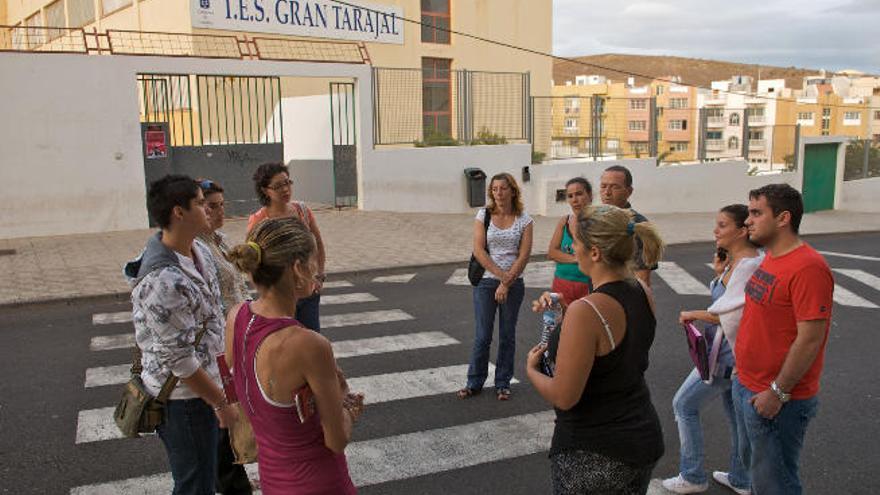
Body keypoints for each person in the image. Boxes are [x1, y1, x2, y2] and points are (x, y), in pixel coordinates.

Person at [526, 204, 665, 494]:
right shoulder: (642, 290)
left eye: (575, 242)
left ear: (595, 252)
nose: (571, 248)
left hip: (594, 450)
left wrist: (531, 370)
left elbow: (564, 397)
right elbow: (615, 353)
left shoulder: (587, 311)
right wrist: (567, 319)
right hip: (642, 437)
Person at [225, 217, 363, 494]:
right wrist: (348, 406)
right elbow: (336, 440)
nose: (317, 270)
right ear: (298, 268)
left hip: (274, 480)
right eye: (314, 262)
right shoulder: (308, 345)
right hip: (320, 483)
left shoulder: (236, 316)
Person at [124, 175, 236, 494]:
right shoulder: (163, 280)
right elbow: (181, 362)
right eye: (201, 203)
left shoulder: (196, 249)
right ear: (179, 212)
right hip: (184, 400)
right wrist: (220, 403)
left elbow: (212, 319)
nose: (209, 209)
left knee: (204, 477)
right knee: (194, 484)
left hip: (206, 384)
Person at [733, 184, 833, 495]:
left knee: (777, 484)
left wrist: (778, 392)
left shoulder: (808, 267)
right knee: (759, 477)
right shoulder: (771, 258)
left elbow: (810, 339)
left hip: (777, 399)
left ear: (783, 218)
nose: (748, 221)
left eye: (756, 213)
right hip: (748, 384)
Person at [662, 204, 762, 495]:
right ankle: (741, 479)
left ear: (742, 230)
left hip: (725, 356)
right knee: (736, 421)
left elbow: (729, 314)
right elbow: (728, 302)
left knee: (684, 405)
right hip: (732, 354)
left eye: (722, 225)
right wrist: (719, 273)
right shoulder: (739, 262)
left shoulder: (748, 267)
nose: (715, 231)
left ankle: (692, 476)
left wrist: (692, 314)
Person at [195, 178, 254, 494]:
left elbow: (239, 284)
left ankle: (234, 473)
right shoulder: (198, 249)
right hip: (221, 343)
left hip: (238, 333)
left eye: (221, 205)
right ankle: (230, 481)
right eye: (211, 206)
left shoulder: (219, 239)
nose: (218, 212)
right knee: (224, 414)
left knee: (236, 411)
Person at [459, 172, 533, 401]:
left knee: (507, 335)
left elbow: (524, 255)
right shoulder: (484, 215)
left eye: (503, 188)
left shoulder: (525, 220)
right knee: (482, 336)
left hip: (514, 283)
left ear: (512, 190)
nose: (498, 193)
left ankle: (503, 383)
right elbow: (479, 250)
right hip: (486, 282)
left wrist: (508, 281)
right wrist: (501, 278)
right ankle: (474, 382)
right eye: (494, 189)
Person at [247, 163, 326, 332]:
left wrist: (319, 275)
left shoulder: (302, 211)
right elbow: (251, 259)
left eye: (287, 183)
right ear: (265, 190)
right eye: (278, 186)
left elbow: (318, 243)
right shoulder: (258, 220)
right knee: (286, 342)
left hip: (307, 292)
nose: (285, 189)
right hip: (279, 296)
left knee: (310, 341)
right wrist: (264, 291)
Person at [599, 165, 656, 286]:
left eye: (615, 187)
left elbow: (642, 279)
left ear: (629, 191)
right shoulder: (595, 219)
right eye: (603, 186)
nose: (607, 192)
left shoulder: (639, 225)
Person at [547, 177, 593, 305]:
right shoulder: (564, 221)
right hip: (561, 283)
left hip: (588, 285)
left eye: (579, 194)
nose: (575, 200)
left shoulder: (598, 223)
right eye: (570, 196)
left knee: (585, 323)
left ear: (590, 195)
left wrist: (564, 256)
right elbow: (551, 253)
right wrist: (577, 259)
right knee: (559, 323)